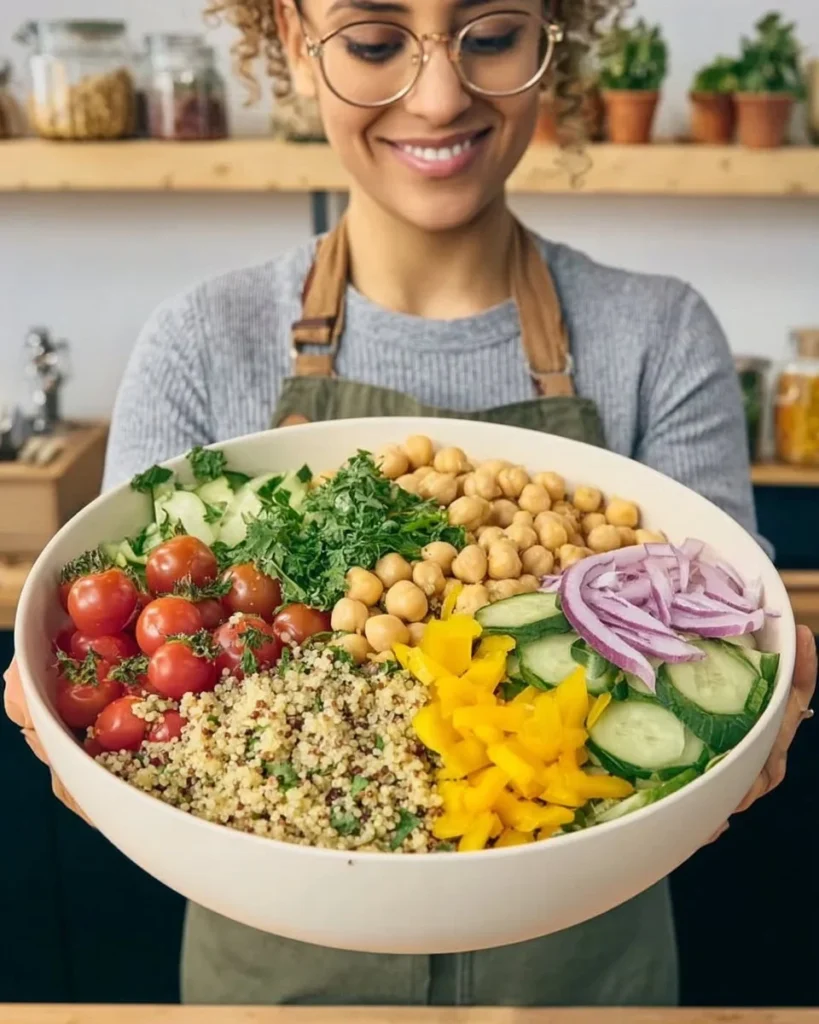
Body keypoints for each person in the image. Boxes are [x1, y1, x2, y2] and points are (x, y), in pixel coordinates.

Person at [4, 0, 816, 1009]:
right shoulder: (199, 339)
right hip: (274, 968)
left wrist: (769, 686)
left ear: (552, 39)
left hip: (584, 968)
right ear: (297, 48)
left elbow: (725, 623)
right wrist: (65, 715)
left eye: (490, 36)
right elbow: (125, 663)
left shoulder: (659, 334)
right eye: (376, 43)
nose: (438, 96)